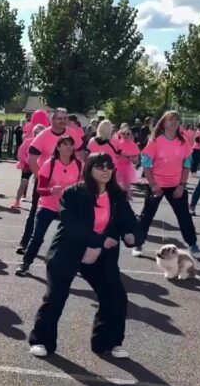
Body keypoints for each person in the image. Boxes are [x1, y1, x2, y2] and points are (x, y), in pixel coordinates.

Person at [28, 152, 140, 358]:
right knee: (56, 297)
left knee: (115, 296)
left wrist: (132, 235)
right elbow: (71, 225)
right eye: (99, 166)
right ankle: (41, 340)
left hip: (100, 255)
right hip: (68, 251)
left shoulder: (117, 196)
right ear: (89, 169)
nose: (105, 170)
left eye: (108, 166)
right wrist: (99, 239)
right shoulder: (73, 194)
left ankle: (108, 342)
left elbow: (129, 221)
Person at [132, 111, 200, 259]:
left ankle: (193, 245)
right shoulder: (155, 141)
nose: (174, 122)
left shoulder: (183, 142)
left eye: (177, 119)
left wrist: (181, 185)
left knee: (184, 217)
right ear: (163, 123)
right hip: (156, 185)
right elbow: (146, 165)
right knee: (146, 216)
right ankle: (138, 243)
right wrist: (153, 185)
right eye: (171, 119)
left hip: (176, 185)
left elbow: (187, 165)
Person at [18, 108, 84, 254]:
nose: (63, 121)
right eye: (59, 118)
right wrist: (40, 178)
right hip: (47, 181)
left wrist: (80, 179)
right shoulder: (43, 135)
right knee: (36, 212)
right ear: (52, 120)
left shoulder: (73, 133)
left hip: (70, 184)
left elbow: (80, 156)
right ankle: (25, 243)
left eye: (65, 118)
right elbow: (32, 159)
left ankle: (72, 251)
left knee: (74, 217)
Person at [16, 135, 81, 276]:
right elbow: (40, 189)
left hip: (67, 208)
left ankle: (67, 264)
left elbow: (83, 187)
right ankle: (25, 264)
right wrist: (51, 190)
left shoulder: (79, 165)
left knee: (71, 237)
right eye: (65, 144)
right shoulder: (49, 164)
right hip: (47, 206)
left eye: (71, 144)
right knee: (37, 236)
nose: (69, 147)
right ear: (58, 147)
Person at [11, 124, 44, 209]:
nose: (38, 134)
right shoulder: (28, 141)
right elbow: (20, 154)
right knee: (23, 183)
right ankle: (17, 201)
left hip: (41, 167)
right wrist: (29, 161)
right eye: (36, 132)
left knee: (41, 185)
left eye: (40, 132)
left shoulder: (45, 142)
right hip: (28, 165)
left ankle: (39, 203)